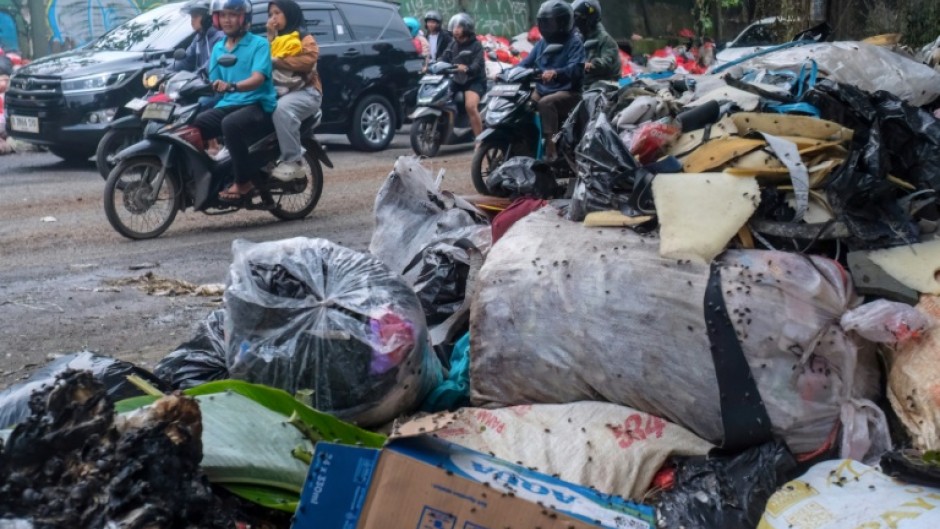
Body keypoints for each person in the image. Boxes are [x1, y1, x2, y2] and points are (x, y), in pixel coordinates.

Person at [194, 0, 277, 201]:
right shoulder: (218, 48)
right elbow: (212, 78)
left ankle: (243, 182)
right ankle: (211, 175)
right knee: (196, 124)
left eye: (232, 15)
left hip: (258, 104)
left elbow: (258, 79)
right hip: (229, 104)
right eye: (223, 15)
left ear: (243, 18)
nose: (227, 20)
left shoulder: (259, 44)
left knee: (230, 125)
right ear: (216, 19)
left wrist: (233, 86)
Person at [518, 0, 585, 160]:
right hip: (543, 89)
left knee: (546, 103)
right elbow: (525, 63)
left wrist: (556, 73)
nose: (547, 27)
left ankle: (551, 148)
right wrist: (506, 72)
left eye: (551, 22)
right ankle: (524, 145)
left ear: (563, 22)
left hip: (569, 91)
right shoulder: (542, 43)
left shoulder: (574, 42)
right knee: (521, 104)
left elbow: (576, 68)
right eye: (544, 22)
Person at [266, 0, 323, 181]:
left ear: (289, 14)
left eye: (277, 13)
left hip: (307, 92)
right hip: (281, 90)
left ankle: (294, 161)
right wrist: (270, 36)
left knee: (281, 109)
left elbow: (309, 60)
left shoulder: (303, 36)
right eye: (270, 14)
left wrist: (279, 61)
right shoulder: (275, 38)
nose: (273, 18)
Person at [440, 13, 485, 138]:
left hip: (474, 80)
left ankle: (480, 140)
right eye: (454, 27)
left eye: (459, 27)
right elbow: (444, 57)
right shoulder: (453, 44)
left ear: (467, 28)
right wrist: (433, 65)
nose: (456, 30)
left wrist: (467, 68)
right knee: (439, 98)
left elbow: (477, 65)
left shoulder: (476, 45)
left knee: (470, 106)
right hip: (457, 80)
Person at [572, 0, 621, 87]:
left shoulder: (604, 39)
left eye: (577, 17)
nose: (575, 21)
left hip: (603, 85)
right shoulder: (580, 38)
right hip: (585, 84)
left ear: (588, 18)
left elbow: (608, 62)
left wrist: (591, 65)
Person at [174, 0, 223, 72]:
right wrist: (166, 72)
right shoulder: (198, 38)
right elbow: (186, 60)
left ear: (207, 18)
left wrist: (194, 76)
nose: (192, 21)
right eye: (191, 17)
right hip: (200, 81)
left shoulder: (219, 37)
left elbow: (210, 65)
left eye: (195, 17)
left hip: (215, 81)